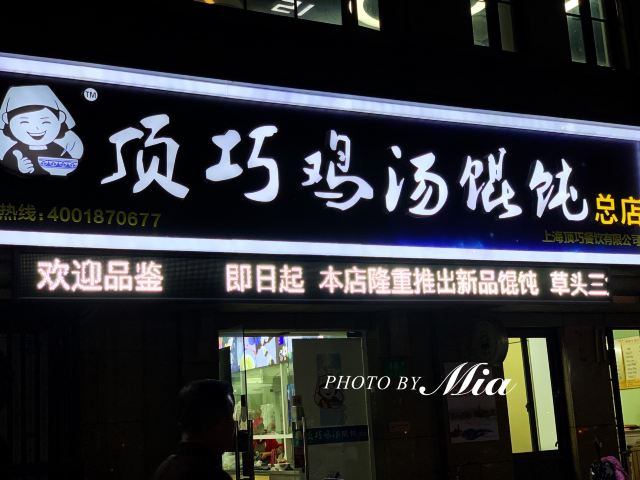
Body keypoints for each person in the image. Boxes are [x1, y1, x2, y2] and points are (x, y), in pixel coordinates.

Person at [152, 379, 235, 480]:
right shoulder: (212, 475)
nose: (233, 424)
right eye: (230, 416)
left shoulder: (166, 467)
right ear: (216, 421)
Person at [0, 85, 83, 175]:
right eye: (24, 122)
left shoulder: (60, 150)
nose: (37, 128)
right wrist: (21, 168)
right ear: (6, 120)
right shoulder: (15, 152)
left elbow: (70, 165)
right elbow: (7, 163)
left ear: (60, 118)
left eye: (45, 122)